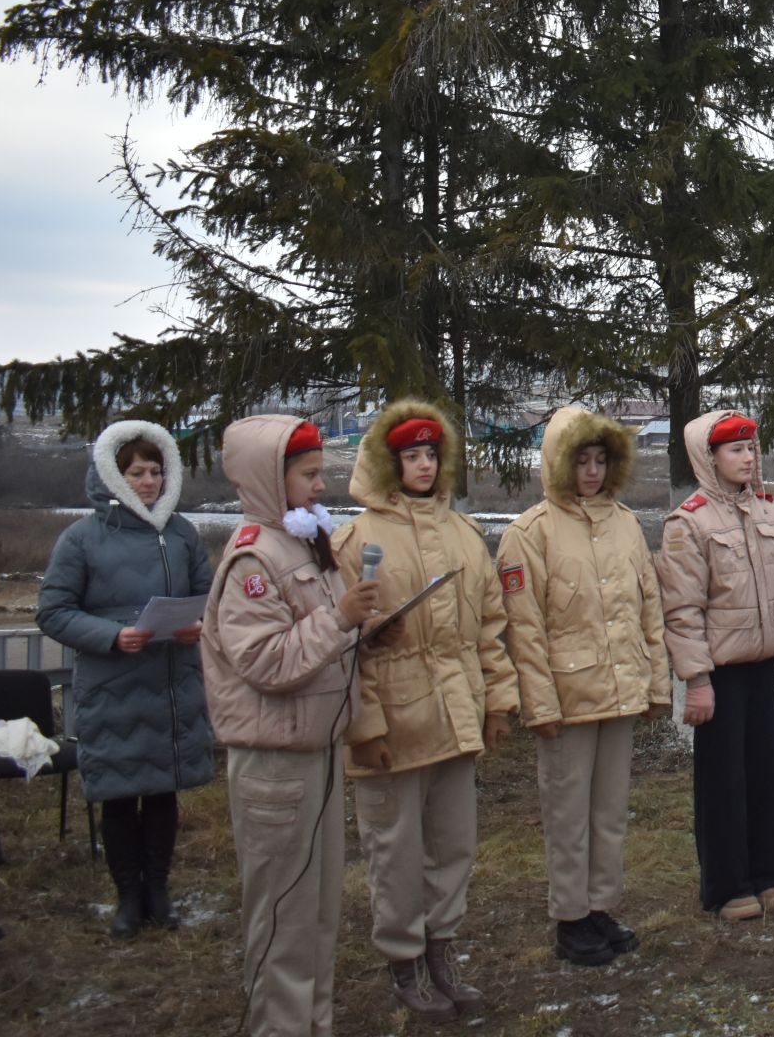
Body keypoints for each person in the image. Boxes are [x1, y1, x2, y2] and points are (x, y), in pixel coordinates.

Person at [335, 401, 518, 1021]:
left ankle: (442, 951)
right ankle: (403, 962)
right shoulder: (357, 540)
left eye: (430, 454)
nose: (422, 465)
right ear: (390, 464)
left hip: (457, 716)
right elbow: (347, 649)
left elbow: (490, 629)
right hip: (394, 721)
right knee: (394, 851)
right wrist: (364, 730)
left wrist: (498, 704)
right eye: (410, 455)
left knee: (453, 846)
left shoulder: (464, 535)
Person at [202, 416, 383, 1037]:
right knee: (282, 915)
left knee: (317, 909)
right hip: (275, 765)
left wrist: (364, 625)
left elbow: (319, 639)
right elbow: (264, 661)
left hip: (317, 751)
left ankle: (313, 1022)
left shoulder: (305, 543)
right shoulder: (254, 558)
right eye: (307, 474)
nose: (319, 484)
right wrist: (338, 618)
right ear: (268, 480)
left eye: (319, 472)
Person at [498, 407, 671, 967]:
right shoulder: (530, 534)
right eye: (581, 460)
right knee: (568, 814)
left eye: (600, 460)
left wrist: (657, 685)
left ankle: (600, 906)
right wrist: (538, 706)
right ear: (558, 463)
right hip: (568, 700)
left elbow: (649, 610)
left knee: (609, 810)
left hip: (621, 690)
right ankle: (570, 917)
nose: (591, 472)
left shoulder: (624, 523)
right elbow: (525, 632)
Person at [38, 420, 214, 937]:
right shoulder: (82, 537)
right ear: (113, 476)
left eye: (156, 471)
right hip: (112, 686)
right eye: (136, 472)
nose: (148, 481)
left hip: (170, 685)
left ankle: (158, 890)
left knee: (162, 793)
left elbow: (208, 596)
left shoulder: (180, 533)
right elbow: (54, 611)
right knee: (118, 795)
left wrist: (197, 625)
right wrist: (114, 635)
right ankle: (127, 898)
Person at [655, 411, 774, 921]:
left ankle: (769, 873)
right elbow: (682, 610)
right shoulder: (689, 523)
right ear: (710, 457)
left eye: (751, 449)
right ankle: (728, 885)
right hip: (720, 672)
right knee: (724, 780)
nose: (748, 458)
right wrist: (696, 680)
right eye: (735, 450)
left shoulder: (768, 512)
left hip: (763, 661)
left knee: (764, 773)